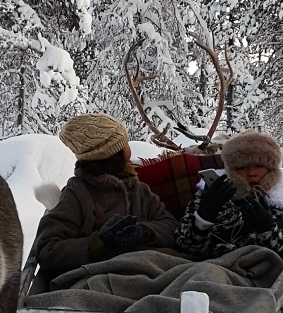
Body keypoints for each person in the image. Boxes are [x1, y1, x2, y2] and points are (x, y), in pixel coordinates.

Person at [32, 114, 177, 278]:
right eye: (124, 145)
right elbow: (48, 250)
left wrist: (145, 232)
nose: (130, 151)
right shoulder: (78, 194)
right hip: (105, 275)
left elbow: (171, 227)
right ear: (112, 156)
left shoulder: (139, 190)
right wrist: (98, 243)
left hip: (154, 269)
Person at [174, 128, 283, 265]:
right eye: (241, 168)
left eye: (258, 166)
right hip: (208, 267)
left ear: (272, 169)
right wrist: (203, 217)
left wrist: (267, 229)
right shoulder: (213, 194)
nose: (251, 173)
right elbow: (185, 248)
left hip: (256, 275)